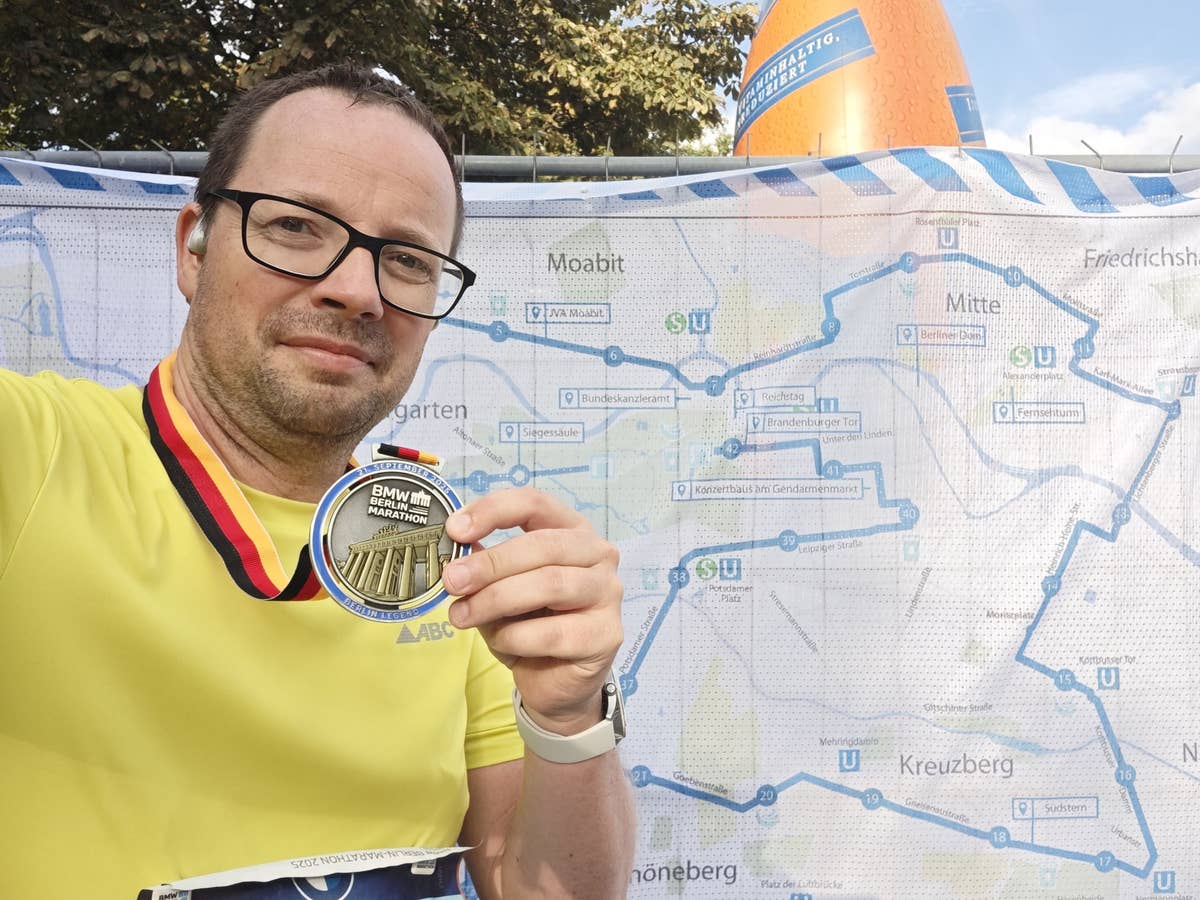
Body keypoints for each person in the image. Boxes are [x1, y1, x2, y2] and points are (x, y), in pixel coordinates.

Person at [0, 63, 634, 897]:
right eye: (297, 227)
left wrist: (569, 720)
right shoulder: (33, 451)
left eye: (406, 259)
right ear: (193, 247)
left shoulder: (464, 565)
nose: (354, 291)